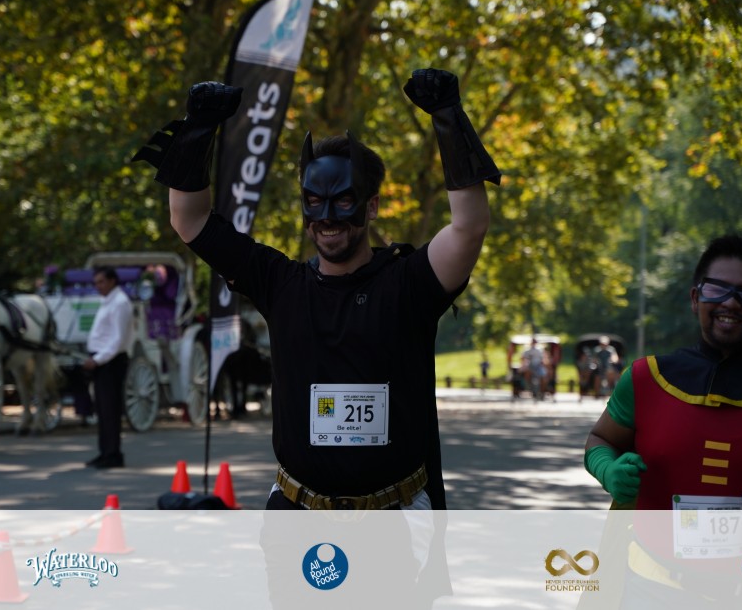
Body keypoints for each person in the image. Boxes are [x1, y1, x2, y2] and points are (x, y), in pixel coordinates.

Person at [136, 68, 500, 509]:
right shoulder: (280, 284)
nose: (327, 216)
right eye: (314, 201)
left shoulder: (408, 283)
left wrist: (448, 116)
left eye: (343, 200)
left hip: (397, 518)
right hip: (297, 513)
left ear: (371, 206)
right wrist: (198, 128)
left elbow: (469, 226)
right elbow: (189, 220)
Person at [583, 235, 742, 607]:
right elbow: (601, 439)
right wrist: (607, 469)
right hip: (649, 591)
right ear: (696, 298)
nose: (731, 302)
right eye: (717, 289)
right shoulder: (646, 379)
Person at [82, 266, 134, 469]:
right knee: (103, 410)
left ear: (112, 281)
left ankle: (113, 454)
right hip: (102, 360)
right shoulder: (107, 301)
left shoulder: (120, 303)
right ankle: (105, 452)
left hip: (111, 361)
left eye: (101, 282)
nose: (98, 286)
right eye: (96, 283)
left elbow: (116, 340)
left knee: (110, 410)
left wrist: (98, 360)